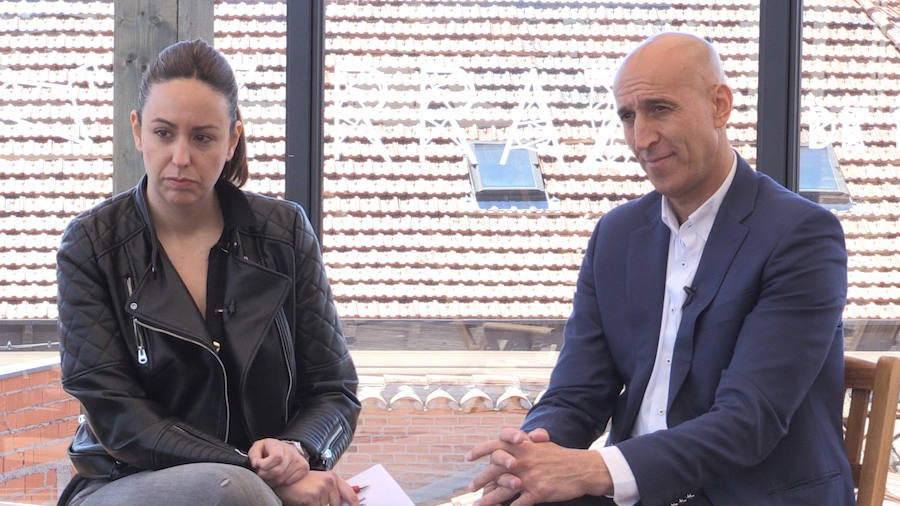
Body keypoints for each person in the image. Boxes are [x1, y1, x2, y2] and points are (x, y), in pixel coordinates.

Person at [466, 32, 854, 505]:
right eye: (628, 116)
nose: (641, 138)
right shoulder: (616, 235)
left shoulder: (803, 236)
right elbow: (577, 393)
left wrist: (593, 469)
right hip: (633, 492)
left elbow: (749, 420)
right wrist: (527, 456)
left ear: (720, 105)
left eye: (660, 109)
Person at [56, 39, 361, 506]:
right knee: (236, 492)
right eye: (164, 133)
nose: (181, 158)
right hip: (122, 484)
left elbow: (333, 390)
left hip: (265, 487)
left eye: (202, 137)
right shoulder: (91, 244)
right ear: (137, 131)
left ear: (232, 139)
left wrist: (297, 451)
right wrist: (255, 470)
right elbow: (117, 415)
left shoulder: (285, 234)